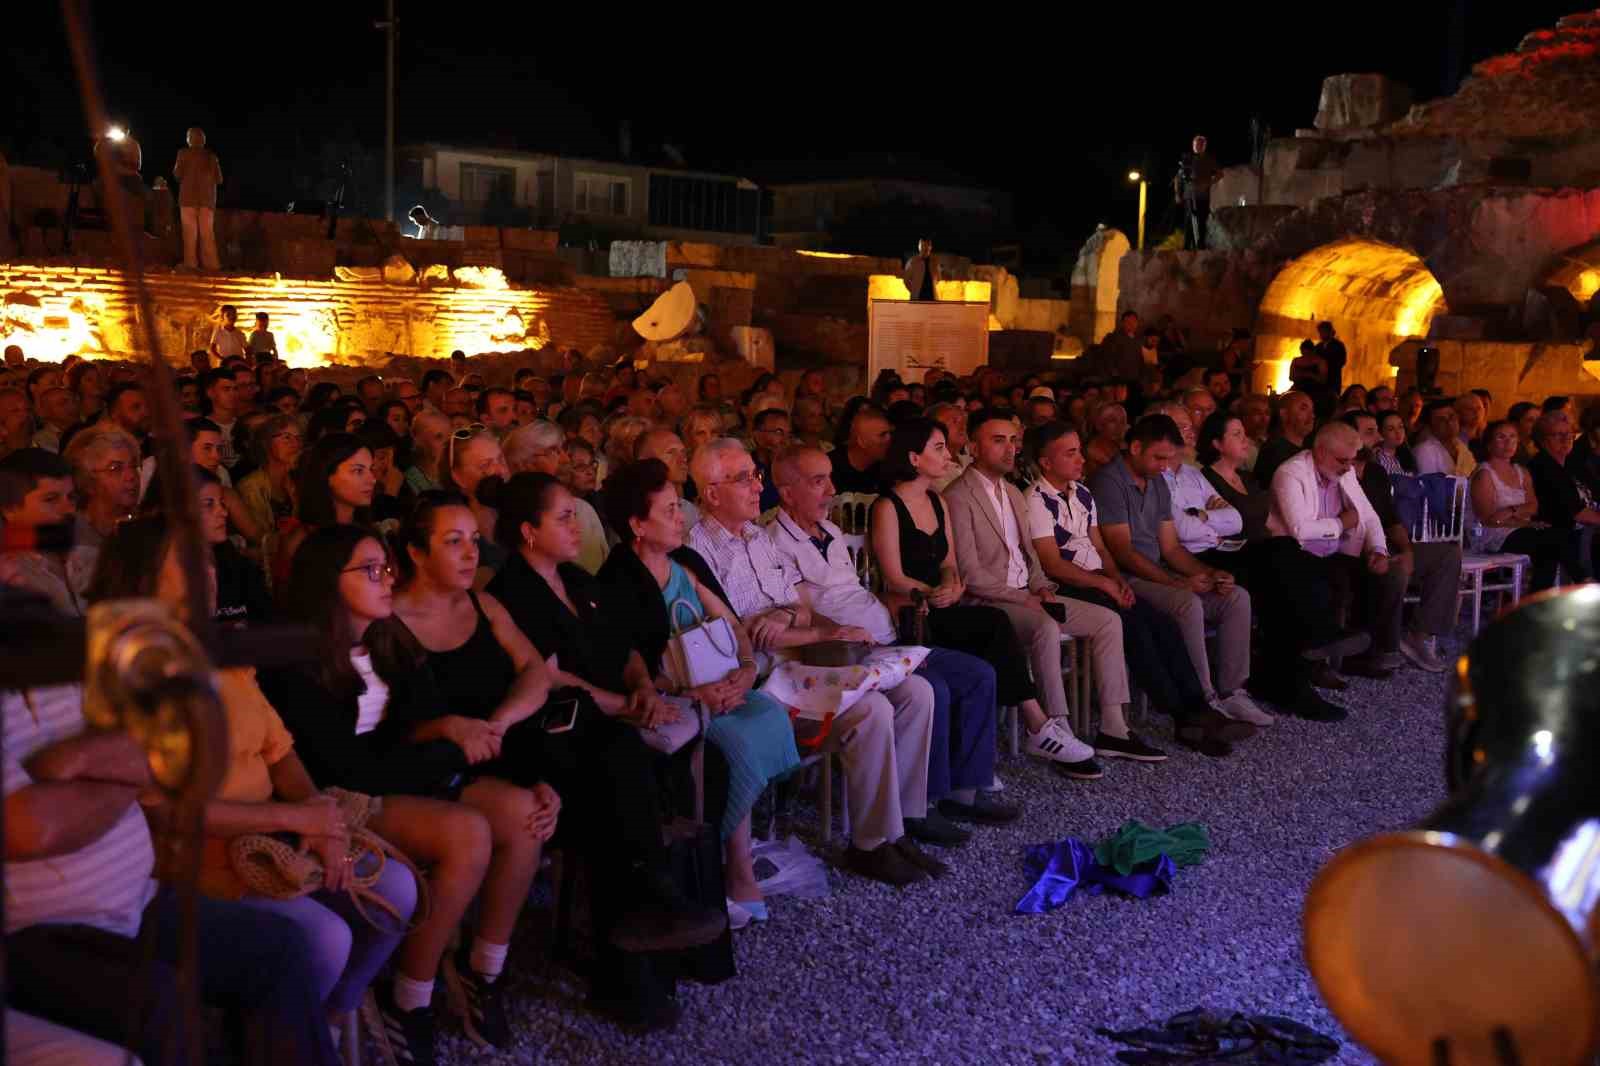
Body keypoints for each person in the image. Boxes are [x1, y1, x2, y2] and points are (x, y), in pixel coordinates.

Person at [86, 514, 416, 1034]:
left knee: (397, 890)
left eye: (211, 565)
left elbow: (280, 753)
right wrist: (293, 817)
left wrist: (322, 822)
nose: (211, 576)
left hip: (276, 835)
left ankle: (327, 1016)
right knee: (324, 937)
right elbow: (164, 811)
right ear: (144, 580)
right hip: (196, 863)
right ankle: (283, 1035)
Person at [474, 477, 731, 1021]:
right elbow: (554, 678)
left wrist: (639, 684)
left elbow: (625, 647)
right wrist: (625, 704)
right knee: (620, 766)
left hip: (608, 720)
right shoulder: (509, 594)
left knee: (675, 766)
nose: (578, 526)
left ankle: (672, 929)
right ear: (528, 532)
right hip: (550, 736)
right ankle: (639, 948)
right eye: (564, 518)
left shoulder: (576, 578)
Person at [3, 679, 342, 1066]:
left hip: (138, 898)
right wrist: (124, 773)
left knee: (281, 948)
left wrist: (72, 766)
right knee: (160, 1001)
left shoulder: (57, 664)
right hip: (32, 932)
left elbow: (151, 754)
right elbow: (32, 829)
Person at [687, 438, 943, 886]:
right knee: (873, 709)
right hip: (767, 681)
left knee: (916, 691)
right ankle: (869, 844)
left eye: (756, 475)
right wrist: (812, 628)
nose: (756, 487)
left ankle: (900, 826)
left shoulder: (755, 539)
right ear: (711, 493)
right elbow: (741, 633)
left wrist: (788, 617)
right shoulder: (697, 553)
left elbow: (796, 608)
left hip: (805, 664)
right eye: (743, 478)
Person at [367, 493, 563, 1050]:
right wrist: (451, 727)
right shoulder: (387, 621)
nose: (469, 552)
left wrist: (496, 725)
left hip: (472, 766)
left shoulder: (484, 607)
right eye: (452, 541)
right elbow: (378, 736)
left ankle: (485, 972)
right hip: (409, 774)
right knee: (475, 832)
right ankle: (410, 994)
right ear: (415, 551)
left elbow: (534, 672)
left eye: (474, 540)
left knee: (528, 815)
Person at [769, 446, 1016, 831]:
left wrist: (897, 603)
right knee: (932, 687)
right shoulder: (776, 543)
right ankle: (924, 803)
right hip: (845, 651)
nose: (831, 489)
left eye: (831, 478)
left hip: (889, 637)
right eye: (819, 482)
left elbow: (855, 592)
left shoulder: (830, 530)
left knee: (978, 673)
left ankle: (965, 793)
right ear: (786, 493)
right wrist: (841, 631)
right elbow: (805, 612)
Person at [598, 460, 801, 924]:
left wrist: (747, 670)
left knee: (765, 712)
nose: (681, 519)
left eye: (679, 508)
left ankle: (734, 854)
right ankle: (736, 868)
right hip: (675, 697)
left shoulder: (686, 563)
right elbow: (631, 666)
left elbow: (733, 626)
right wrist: (696, 692)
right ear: (636, 524)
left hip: (719, 680)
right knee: (738, 740)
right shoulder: (617, 581)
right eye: (669, 511)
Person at [873, 414, 1095, 777]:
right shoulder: (888, 507)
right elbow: (894, 577)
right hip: (915, 611)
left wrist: (952, 583)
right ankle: (1038, 725)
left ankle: (1033, 729)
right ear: (914, 458)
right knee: (995, 622)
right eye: (940, 447)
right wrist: (934, 592)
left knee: (994, 627)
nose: (949, 454)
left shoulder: (936, 502)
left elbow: (949, 564)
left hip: (946, 602)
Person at [1025, 422, 1228, 754]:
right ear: (1046, 463)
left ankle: (1197, 706)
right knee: (1133, 626)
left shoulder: (1083, 493)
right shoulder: (1035, 499)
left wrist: (1116, 580)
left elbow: (1101, 549)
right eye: (1070, 453)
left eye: (1080, 451)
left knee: (1160, 621)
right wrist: (1104, 583)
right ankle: (1181, 716)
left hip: (1097, 579)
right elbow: (1051, 563)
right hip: (1067, 583)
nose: (1080, 460)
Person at [1089, 414, 1268, 735]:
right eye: (1158, 457)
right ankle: (1202, 697)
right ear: (1135, 447)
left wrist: (1210, 572)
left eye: (1170, 458)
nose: (1164, 465)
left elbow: (1170, 547)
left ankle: (1232, 691)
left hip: (1157, 569)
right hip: (1126, 576)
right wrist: (1177, 581)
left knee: (1235, 596)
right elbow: (1122, 552)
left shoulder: (1157, 481)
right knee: (1187, 601)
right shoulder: (1109, 481)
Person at [1343, 412, 1464, 675]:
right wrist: (1381, 551)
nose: (1378, 438)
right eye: (1370, 432)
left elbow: (1391, 518)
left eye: (1377, 431)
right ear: (1349, 437)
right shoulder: (1339, 471)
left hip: (1386, 544)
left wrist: (1407, 550)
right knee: (1395, 572)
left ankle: (1419, 634)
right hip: (1354, 550)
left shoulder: (1375, 472)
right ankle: (1385, 648)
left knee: (1447, 553)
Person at [1469, 419, 1568, 591]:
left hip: (1521, 527)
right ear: (1489, 444)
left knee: (1558, 538)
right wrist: (1517, 513)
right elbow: (1489, 519)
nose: (1508, 443)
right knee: (1550, 544)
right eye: (1501, 437)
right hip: (1493, 534)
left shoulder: (1522, 472)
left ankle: (1538, 598)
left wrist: (1509, 513)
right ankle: (1537, 601)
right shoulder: (1484, 474)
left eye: (1513, 437)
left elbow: (1533, 506)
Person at [0, 448, 97, 616]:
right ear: (11, 509)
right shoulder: (9, 576)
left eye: (71, 497)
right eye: (51, 499)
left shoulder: (92, 559)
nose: (68, 509)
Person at [504, 420, 608, 574]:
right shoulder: (509, 512)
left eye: (563, 450)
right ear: (525, 463)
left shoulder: (582, 508)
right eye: (554, 451)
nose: (565, 460)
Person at [274, 433, 375, 585]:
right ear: (327, 475)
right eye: (358, 471)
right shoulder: (301, 541)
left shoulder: (370, 531)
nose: (372, 479)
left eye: (371, 469)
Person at [1527, 412, 1600, 582]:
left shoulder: (1570, 464)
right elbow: (1575, 511)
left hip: (1580, 529)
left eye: (1569, 434)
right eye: (1558, 434)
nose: (1566, 439)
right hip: (1561, 531)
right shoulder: (1543, 467)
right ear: (1543, 439)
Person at [63, 425, 139, 551]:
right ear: (86, 481)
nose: (131, 476)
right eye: (115, 468)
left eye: (134, 465)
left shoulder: (143, 529)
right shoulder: (74, 543)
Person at [173, 127, 222, 270]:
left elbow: (177, 174)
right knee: (207, 234)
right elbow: (219, 179)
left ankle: (191, 264)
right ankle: (212, 265)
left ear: (189, 139)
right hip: (207, 201)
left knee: (189, 234)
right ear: (203, 140)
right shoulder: (211, 156)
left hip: (187, 199)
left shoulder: (182, 153)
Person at [1253, 391, 1316, 487]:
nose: (1312, 416)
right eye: (1303, 409)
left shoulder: (1309, 449)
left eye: (1312, 410)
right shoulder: (1273, 451)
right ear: (1284, 414)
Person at [830, 401, 892, 495]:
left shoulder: (887, 468)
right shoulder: (830, 467)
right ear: (862, 442)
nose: (889, 439)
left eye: (890, 433)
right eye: (882, 435)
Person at [1174, 134, 1219, 249]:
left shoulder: (1209, 160)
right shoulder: (1188, 159)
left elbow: (1220, 174)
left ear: (1204, 145)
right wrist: (1177, 194)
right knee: (1189, 220)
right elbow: (1178, 178)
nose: (1196, 146)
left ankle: (1200, 245)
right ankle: (1187, 246)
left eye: (1199, 144)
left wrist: (1208, 184)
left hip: (1203, 196)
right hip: (1189, 195)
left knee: (1202, 221)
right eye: (1194, 144)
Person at [1413, 399, 1477, 478]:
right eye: (1441, 420)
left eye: (1451, 416)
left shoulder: (1462, 447)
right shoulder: (1424, 451)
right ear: (1431, 427)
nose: (1449, 422)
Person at [748, 408, 789, 512]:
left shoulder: (791, 466)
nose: (785, 440)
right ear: (757, 435)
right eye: (778, 432)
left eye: (788, 434)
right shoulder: (746, 467)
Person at [405, 409, 451, 495]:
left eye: (450, 436)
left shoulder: (457, 471)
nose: (447, 442)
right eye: (438, 437)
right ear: (419, 440)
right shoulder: (411, 480)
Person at [1084, 402, 1128, 479]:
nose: (1119, 426)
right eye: (1113, 421)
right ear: (1098, 425)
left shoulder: (1126, 449)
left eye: (1123, 421)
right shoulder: (1086, 455)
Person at [1374, 410, 1417, 475]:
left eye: (1400, 427)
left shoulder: (1405, 454)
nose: (1398, 432)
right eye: (1391, 429)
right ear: (1380, 432)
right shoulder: (1378, 457)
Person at [1315, 321, 1347, 393]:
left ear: (1329, 331)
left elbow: (1342, 361)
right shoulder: (1318, 347)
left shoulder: (1338, 345)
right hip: (1320, 382)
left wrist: (1327, 365)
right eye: (1320, 332)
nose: (1321, 334)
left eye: (1323, 332)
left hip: (1333, 381)